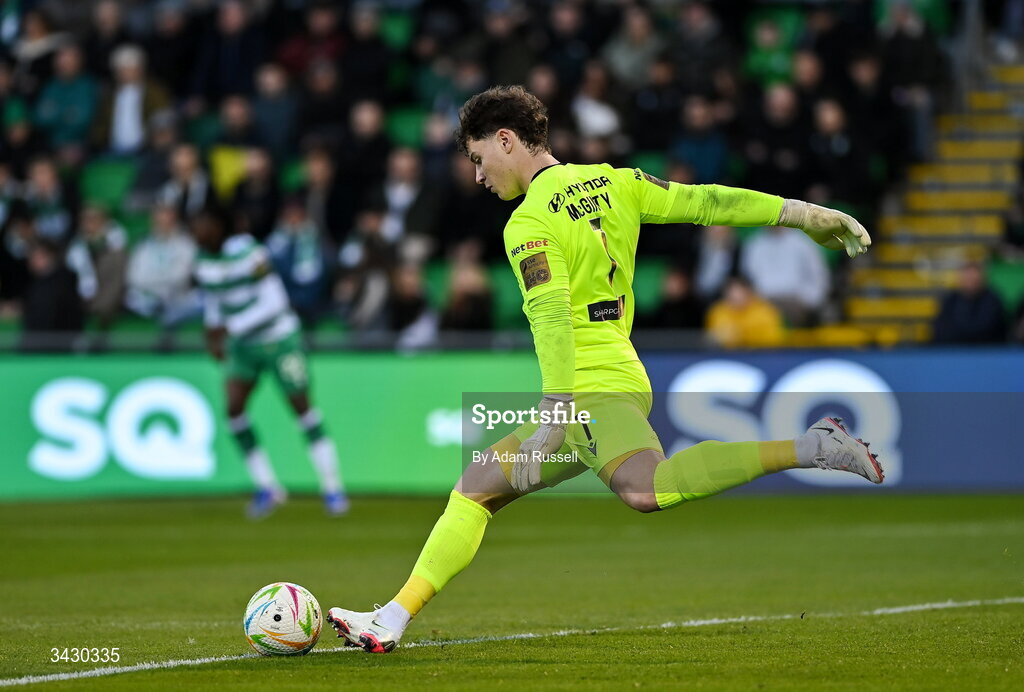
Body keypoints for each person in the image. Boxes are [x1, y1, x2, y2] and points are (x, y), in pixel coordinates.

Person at [326, 86, 881, 654]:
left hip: (586, 391)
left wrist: (556, 406)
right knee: (474, 490)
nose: (477, 176)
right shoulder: (619, 182)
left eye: (477, 159)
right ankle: (391, 617)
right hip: (612, 379)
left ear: (506, 140)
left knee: (647, 488)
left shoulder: (528, 222)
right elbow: (710, 202)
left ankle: (814, 447)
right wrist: (802, 214)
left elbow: (550, 316)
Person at [190, 205, 348, 519]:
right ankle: (267, 487)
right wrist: (211, 331)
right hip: (244, 346)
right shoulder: (202, 263)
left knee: (302, 409)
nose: (198, 231)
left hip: (279, 339)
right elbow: (215, 302)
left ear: (220, 227)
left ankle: (332, 488)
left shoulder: (251, 254)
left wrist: (230, 329)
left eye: (204, 224)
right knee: (234, 411)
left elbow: (275, 303)